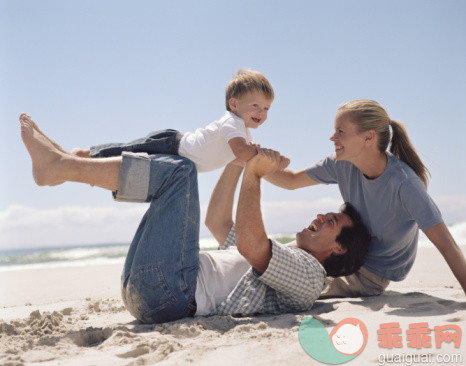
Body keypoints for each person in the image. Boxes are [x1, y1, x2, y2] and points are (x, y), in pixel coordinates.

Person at [19, 115, 371, 323]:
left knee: (180, 174)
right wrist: (238, 165)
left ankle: (62, 167)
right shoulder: (281, 255)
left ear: (338, 250)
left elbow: (251, 244)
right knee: (176, 165)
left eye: (333, 222)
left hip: (171, 291)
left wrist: (256, 176)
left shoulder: (310, 277)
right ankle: (65, 163)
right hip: (150, 286)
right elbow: (218, 222)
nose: (322, 216)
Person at [264, 99, 466, 297]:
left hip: (370, 274)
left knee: (281, 284)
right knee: (263, 257)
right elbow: (290, 180)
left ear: (369, 137)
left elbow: (447, 245)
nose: (333, 138)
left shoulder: (405, 185)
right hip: (338, 253)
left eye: (340, 132)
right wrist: (249, 157)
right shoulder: (341, 163)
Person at [48, 68, 274, 173]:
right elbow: (242, 154)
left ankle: (76, 158)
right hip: (172, 144)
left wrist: (251, 158)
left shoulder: (243, 133)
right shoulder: (232, 123)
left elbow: (235, 158)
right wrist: (262, 157)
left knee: (130, 159)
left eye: (266, 108)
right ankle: (80, 154)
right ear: (234, 104)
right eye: (255, 105)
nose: (261, 112)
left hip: (177, 154)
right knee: (126, 151)